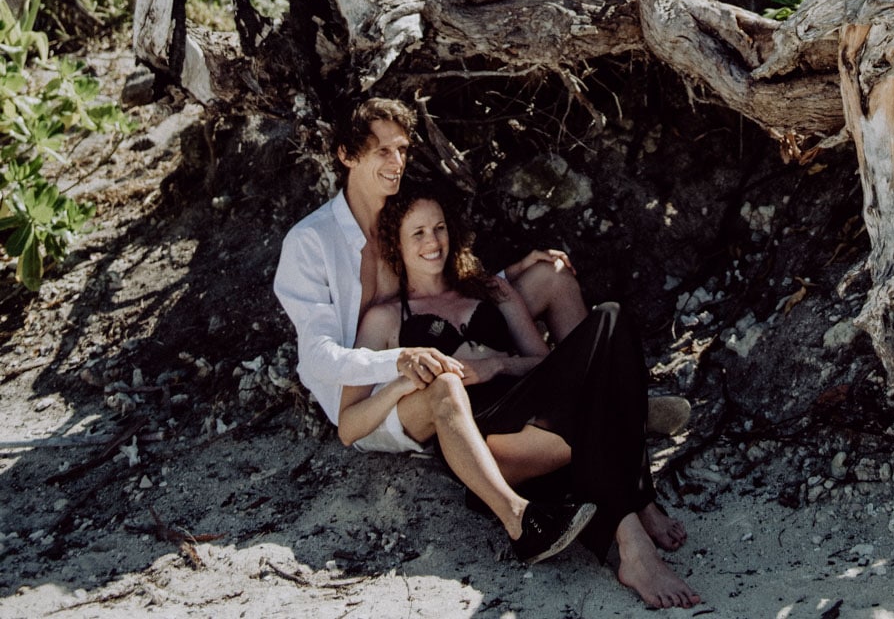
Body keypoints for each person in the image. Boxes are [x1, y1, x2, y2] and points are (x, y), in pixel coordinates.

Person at [272, 98, 695, 600]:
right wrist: (402, 362)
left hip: (465, 373)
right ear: (345, 155)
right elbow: (319, 357)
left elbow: (435, 281)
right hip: (384, 397)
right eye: (380, 151)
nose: (396, 163)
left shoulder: (397, 214)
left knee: (569, 288)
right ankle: (613, 459)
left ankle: (610, 398)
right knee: (451, 381)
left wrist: (504, 282)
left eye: (402, 149)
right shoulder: (312, 242)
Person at [338, 183, 700, 610]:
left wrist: (497, 365)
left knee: (611, 318)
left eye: (438, 228)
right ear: (397, 244)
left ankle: (635, 511)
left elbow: (545, 361)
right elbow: (349, 424)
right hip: (488, 435)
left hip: (536, 407)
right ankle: (636, 529)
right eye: (417, 233)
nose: (432, 241)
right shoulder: (385, 318)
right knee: (602, 399)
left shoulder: (490, 289)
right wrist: (402, 381)